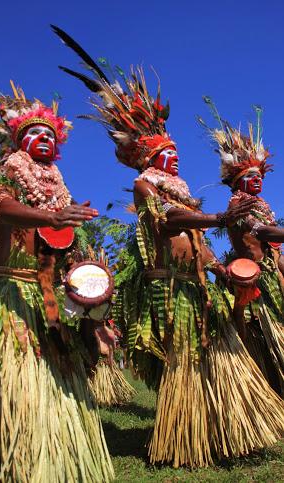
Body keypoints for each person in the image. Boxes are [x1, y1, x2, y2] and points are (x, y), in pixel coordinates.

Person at [52, 26, 284, 468]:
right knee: (186, 362)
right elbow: (169, 223)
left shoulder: (183, 193)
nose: (173, 157)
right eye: (165, 153)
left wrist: (218, 268)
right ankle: (185, 438)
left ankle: (226, 429)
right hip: (171, 290)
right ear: (147, 157)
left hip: (200, 285)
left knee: (217, 353)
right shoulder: (145, 186)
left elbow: (198, 240)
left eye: (175, 152)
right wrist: (218, 218)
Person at [0, 82, 114, 482]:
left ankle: (65, 460)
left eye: (49, 134)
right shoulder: (7, 183)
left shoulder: (59, 202)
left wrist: (92, 306)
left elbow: (70, 262)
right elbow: (2, 208)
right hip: (12, 294)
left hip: (49, 295)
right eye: (34, 133)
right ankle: (28, 464)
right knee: (25, 373)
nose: (43, 139)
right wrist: (49, 217)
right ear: (18, 141)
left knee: (63, 372)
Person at [202, 102, 284, 395]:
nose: (258, 178)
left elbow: (272, 246)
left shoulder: (262, 204)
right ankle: (264, 388)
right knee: (260, 333)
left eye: (260, 174)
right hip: (253, 278)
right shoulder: (237, 205)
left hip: (272, 274)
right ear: (238, 181)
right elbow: (260, 232)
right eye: (251, 175)